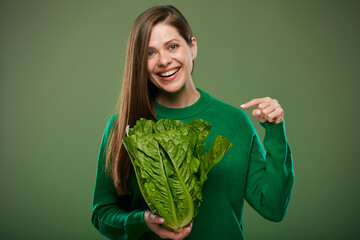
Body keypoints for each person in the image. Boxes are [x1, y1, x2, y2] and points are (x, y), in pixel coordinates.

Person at [91, 5, 294, 240]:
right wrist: (142, 221)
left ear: (193, 47)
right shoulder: (124, 126)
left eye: (173, 46)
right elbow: (102, 214)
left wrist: (276, 129)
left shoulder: (234, 121)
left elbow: (274, 207)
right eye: (150, 53)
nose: (164, 60)